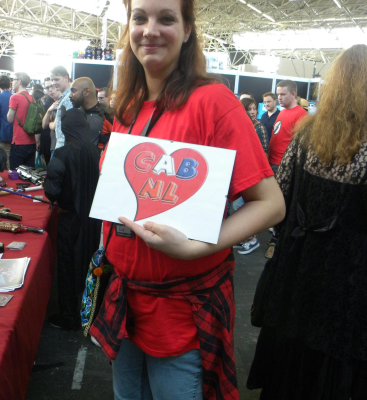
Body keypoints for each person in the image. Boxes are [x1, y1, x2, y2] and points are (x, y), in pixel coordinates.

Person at [88, 1, 285, 399]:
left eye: (166, 18)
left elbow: (270, 203)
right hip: (124, 304)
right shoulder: (128, 104)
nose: (150, 30)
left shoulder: (214, 103)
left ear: (188, 29)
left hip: (180, 315)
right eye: (140, 18)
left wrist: (196, 246)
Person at [247, 43, 367, 400]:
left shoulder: (305, 136)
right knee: (333, 363)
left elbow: (279, 198)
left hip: (296, 265)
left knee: (291, 351)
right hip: (349, 279)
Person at [44, 107, 102, 331]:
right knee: (91, 265)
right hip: (94, 220)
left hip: (70, 219)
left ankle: (69, 316)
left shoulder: (62, 154)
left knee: (67, 266)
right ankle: (92, 312)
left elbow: (52, 191)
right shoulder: (97, 152)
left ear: (65, 128)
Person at [265, 80, 308, 259]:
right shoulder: (283, 112)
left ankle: (276, 241)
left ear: (293, 94)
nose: (279, 98)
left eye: (283, 94)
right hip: (273, 163)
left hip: (285, 166)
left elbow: (301, 145)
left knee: (282, 204)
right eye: (278, 94)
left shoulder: (301, 115)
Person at [235, 98, 270, 255]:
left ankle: (252, 239)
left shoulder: (259, 128)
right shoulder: (243, 125)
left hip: (253, 174)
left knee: (244, 207)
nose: (253, 112)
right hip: (242, 172)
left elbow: (264, 153)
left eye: (255, 108)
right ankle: (244, 237)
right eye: (249, 109)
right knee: (238, 207)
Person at [69, 77, 112, 149]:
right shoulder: (74, 114)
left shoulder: (108, 114)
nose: (70, 95)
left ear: (86, 92)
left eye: (73, 91)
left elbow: (118, 141)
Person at [7, 72, 36, 170]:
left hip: (19, 141)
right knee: (29, 173)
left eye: (13, 80)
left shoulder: (15, 97)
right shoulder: (32, 98)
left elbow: (10, 119)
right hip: (31, 141)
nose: (12, 82)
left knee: (15, 172)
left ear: (19, 81)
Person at [50, 66, 73, 149]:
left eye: (56, 79)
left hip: (64, 147)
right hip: (62, 146)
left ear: (66, 78)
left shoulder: (69, 98)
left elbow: (70, 126)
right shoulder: (64, 97)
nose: (53, 83)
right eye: (52, 80)